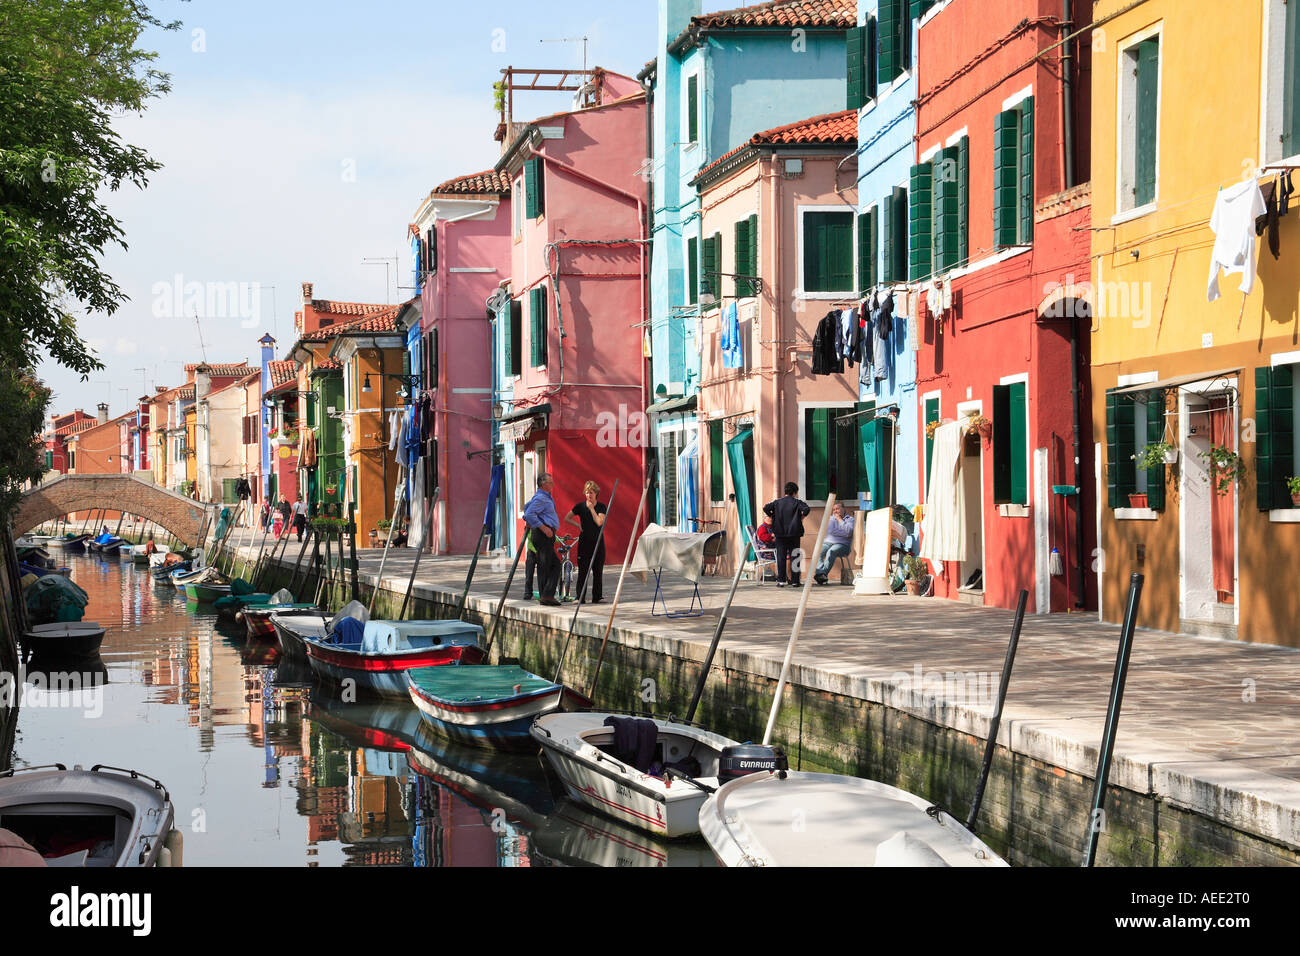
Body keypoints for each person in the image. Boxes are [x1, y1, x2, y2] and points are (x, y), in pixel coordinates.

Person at [522, 472, 561, 606]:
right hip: (543, 534)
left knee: (551, 564)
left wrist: (531, 521)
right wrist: (543, 527)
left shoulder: (542, 497)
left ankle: (547, 595)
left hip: (546, 534)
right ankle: (546, 595)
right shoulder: (541, 498)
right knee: (548, 565)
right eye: (550, 483)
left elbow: (526, 507)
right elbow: (529, 513)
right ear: (544, 484)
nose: (553, 485)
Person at [565, 480, 607, 604]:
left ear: (596, 494)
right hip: (584, 542)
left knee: (598, 570)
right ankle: (580, 597)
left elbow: (599, 522)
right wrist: (578, 525)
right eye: (587, 493)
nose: (589, 495)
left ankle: (597, 597)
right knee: (583, 571)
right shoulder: (580, 506)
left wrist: (592, 509)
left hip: (598, 542)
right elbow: (567, 517)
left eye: (591, 493)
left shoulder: (601, 507)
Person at [763, 482, 810, 587]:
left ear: (785, 491)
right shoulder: (797, 502)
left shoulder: (777, 502)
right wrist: (801, 518)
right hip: (794, 533)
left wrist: (772, 516)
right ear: (795, 492)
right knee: (795, 556)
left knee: (781, 557)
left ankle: (781, 581)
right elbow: (806, 509)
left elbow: (765, 508)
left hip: (780, 534)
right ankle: (795, 581)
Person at [813, 501, 855, 585]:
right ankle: (821, 574)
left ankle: (822, 574)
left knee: (831, 551)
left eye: (837, 509)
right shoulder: (831, 519)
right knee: (818, 551)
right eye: (834, 509)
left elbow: (849, 532)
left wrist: (840, 520)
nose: (835, 511)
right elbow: (831, 532)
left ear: (843, 509)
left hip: (843, 545)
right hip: (828, 542)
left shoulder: (850, 519)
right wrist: (844, 532)